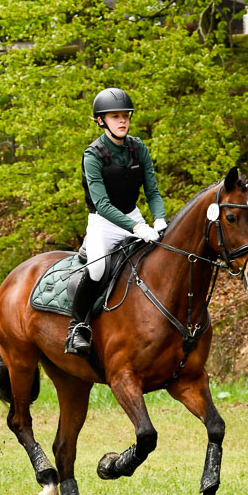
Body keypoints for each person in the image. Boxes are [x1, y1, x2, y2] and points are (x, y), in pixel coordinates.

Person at [64, 87, 167, 355]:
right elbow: (102, 204)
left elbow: (152, 191)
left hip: (134, 216)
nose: (122, 121)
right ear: (101, 120)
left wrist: (159, 220)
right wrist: (137, 228)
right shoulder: (93, 155)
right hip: (103, 223)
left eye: (125, 116)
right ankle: (78, 327)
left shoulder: (138, 147)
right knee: (97, 270)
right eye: (115, 116)